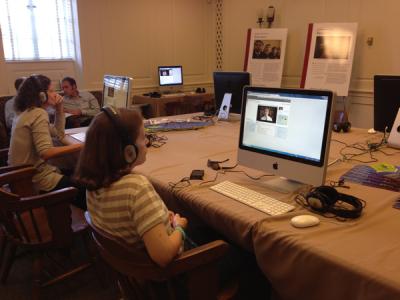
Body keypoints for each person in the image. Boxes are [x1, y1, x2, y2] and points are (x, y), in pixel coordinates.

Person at [74, 108, 187, 267]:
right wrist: (180, 227)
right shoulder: (136, 188)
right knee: (225, 245)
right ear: (129, 152)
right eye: (142, 137)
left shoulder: (93, 181)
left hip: (130, 268)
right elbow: (164, 255)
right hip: (170, 275)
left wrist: (157, 216)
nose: (147, 141)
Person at [8, 75, 85, 209]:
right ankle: (90, 223)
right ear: (41, 95)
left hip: (21, 178)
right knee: (86, 187)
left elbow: (58, 133)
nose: (56, 93)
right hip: (34, 180)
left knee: (73, 171)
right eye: (51, 90)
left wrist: (59, 108)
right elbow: (46, 152)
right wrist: (81, 145)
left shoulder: (26, 112)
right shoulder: (38, 113)